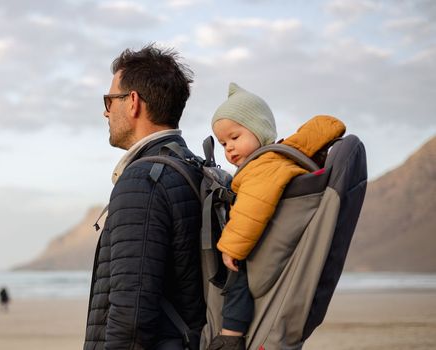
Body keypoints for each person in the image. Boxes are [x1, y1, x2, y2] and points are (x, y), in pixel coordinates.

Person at [84, 44, 206, 350]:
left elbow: (131, 317)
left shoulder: (142, 181)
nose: (105, 111)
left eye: (109, 100)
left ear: (133, 102)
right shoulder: (192, 166)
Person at [207, 83, 346, 350]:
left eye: (235, 138)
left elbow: (252, 209)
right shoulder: (281, 157)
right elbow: (320, 130)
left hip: (255, 247)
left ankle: (230, 337)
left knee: (237, 282)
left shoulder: (261, 167)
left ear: (260, 131)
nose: (229, 149)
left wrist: (230, 248)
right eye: (224, 143)